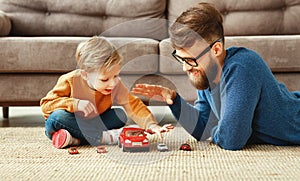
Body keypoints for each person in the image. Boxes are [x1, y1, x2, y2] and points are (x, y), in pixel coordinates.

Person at [131, 3, 300, 150]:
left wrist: (221, 128)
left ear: (216, 49)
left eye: (190, 59)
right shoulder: (207, 73)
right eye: (181, 59)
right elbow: (203, 130)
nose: (185, 67)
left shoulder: (241, 67)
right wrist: (174, 100)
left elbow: (232, 140)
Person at [40, 36, 173, 149]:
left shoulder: (115, 85)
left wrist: (152, 125)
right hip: (71, 121)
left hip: (94, 121)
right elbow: (46, 106)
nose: (112, 83)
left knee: (119, 115)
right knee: (56, 117)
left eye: (115, 76)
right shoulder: (70, 80)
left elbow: (133, 104)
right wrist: (75, 103)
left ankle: (76, 139)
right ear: (85, 75)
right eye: (105, 79)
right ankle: (105, 137)